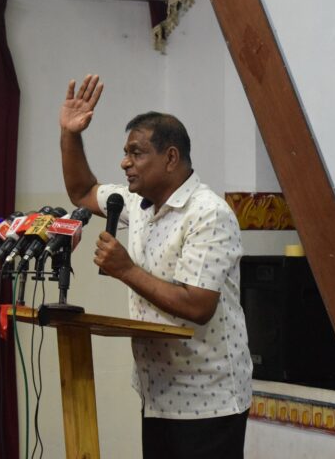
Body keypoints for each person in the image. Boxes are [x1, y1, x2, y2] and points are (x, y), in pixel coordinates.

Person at [57, 74, 253, 458]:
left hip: (208, 400)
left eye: (136, 152)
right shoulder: (137, 203)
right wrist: (70, 134)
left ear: (171, 158)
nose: (124, 162)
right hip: (157, 393)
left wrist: (126, 270)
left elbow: (198, 305)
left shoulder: (207, 213)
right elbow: (82, 191)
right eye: (125, 153)